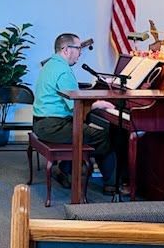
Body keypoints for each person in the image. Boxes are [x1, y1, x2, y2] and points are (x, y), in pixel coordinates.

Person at [32, 33, 118, 194]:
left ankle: (65, 169)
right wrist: (97, 104)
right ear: (66, 50)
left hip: (41, 123)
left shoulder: (51, 64)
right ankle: (112, 184)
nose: (80, 53)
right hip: (53, 127)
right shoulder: (64, 71)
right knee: (104, 135)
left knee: (85, 131)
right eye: (78, 48)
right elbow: (75, 106)